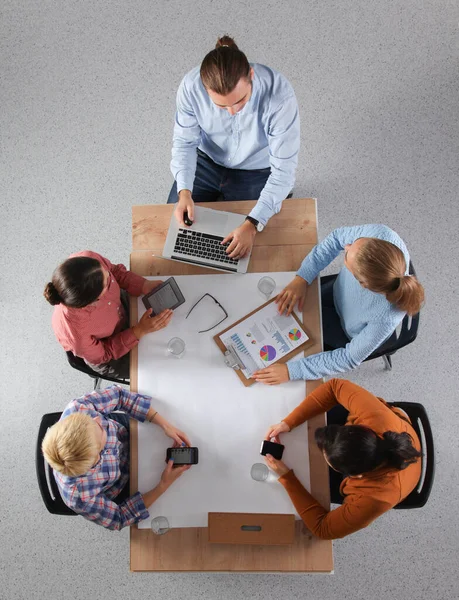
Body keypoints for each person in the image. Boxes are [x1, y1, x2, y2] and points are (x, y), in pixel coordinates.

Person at [168, 35, 300, 259]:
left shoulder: (280, 98)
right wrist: (184, 192)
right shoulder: (190, 87)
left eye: (240, 101)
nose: (232, 111)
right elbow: (185, 142)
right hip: (206, 161)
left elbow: (283, 171)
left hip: (256, 170)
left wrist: (252, 223)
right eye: (221, 106)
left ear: (250, 75)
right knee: (177, 234)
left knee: (258, 247)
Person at [253, 224, 425, 385]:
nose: (347, 246)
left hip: (345, 331)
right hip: (338, 292)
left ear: (362, 284)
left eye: (346, 255)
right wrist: (303, 277)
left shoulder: (385, 318)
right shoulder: (381, 234)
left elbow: (348, 358)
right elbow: (336, 239)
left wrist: (291, 372)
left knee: (291, 348)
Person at [264, 378, 422, 539]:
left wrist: (287, 478)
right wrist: (288, 422)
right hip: (392, 435)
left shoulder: (375, 499)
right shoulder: (376, 416)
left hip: (395, 481)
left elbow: (322, 529)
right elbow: (334, 386)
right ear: (361, 429)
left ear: (354, 475)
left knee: (315, 486)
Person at [41, 385, 192, 530]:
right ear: (96, 460)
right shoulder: (79, 496)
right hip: (125, 483)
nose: (98, 420)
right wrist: (163, 485)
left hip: (126, 432)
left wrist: (165, 425)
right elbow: (120, 517)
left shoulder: (79, 408)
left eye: (93, 421)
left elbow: (120, 396)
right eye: (101, 429)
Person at [44, 250, 172, 379]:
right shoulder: (75, 331)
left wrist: (143, 284)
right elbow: (104, 354)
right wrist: (138, 331)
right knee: (161, 364)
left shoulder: (88, 261)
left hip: (119, 311)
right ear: (92, 301)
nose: (110, 277)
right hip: (110, 354)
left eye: (107, 273)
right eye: (107, 283)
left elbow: (115, 271)